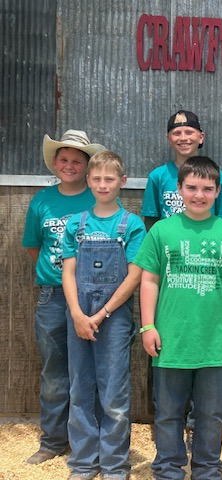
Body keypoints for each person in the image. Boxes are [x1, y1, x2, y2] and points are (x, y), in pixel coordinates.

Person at [135, 156, 222, 480]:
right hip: (171, 339)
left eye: (207, 188)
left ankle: (207, 470)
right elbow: (149, 280)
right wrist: (148, 325)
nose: (199, 194)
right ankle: (169, 470)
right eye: (192, 187)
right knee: (168, 414)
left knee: (211, 414)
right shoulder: (162, 230)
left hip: (214, 341)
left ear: (218, 191)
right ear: (179, 189)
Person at [22, 129, 106, 465]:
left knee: (93, 370)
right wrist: (56, 276)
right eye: (64, 159)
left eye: (77, 160)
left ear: (87, 166)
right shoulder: (42, 201)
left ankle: (91, 440)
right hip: (53, 297)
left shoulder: (97, 198)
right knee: (56, 371)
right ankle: (54, 440)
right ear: (55, 163)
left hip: (93, 296)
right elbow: (33, 246)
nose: (69, 165)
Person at [61, 151, 146, 479]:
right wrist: (78, 314)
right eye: (96, 179)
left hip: (115, 317)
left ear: (122, 182)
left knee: (113, 391)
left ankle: (113, 464)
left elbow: (134, 275)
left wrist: (103, 313)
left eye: (109, 179)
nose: (102, 184)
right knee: (80, 387)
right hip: (78, 314)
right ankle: (83, 462)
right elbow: (68, 273)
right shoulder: (76, 224)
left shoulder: (132, 225)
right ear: (88, 181)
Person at [141, 110, 222, 230]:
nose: (183, 138)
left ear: (201, 137)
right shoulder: (157, 176)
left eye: (189, 132)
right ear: (169, 139)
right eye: (177, 133)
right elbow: (150, 221)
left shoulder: (217, 176)